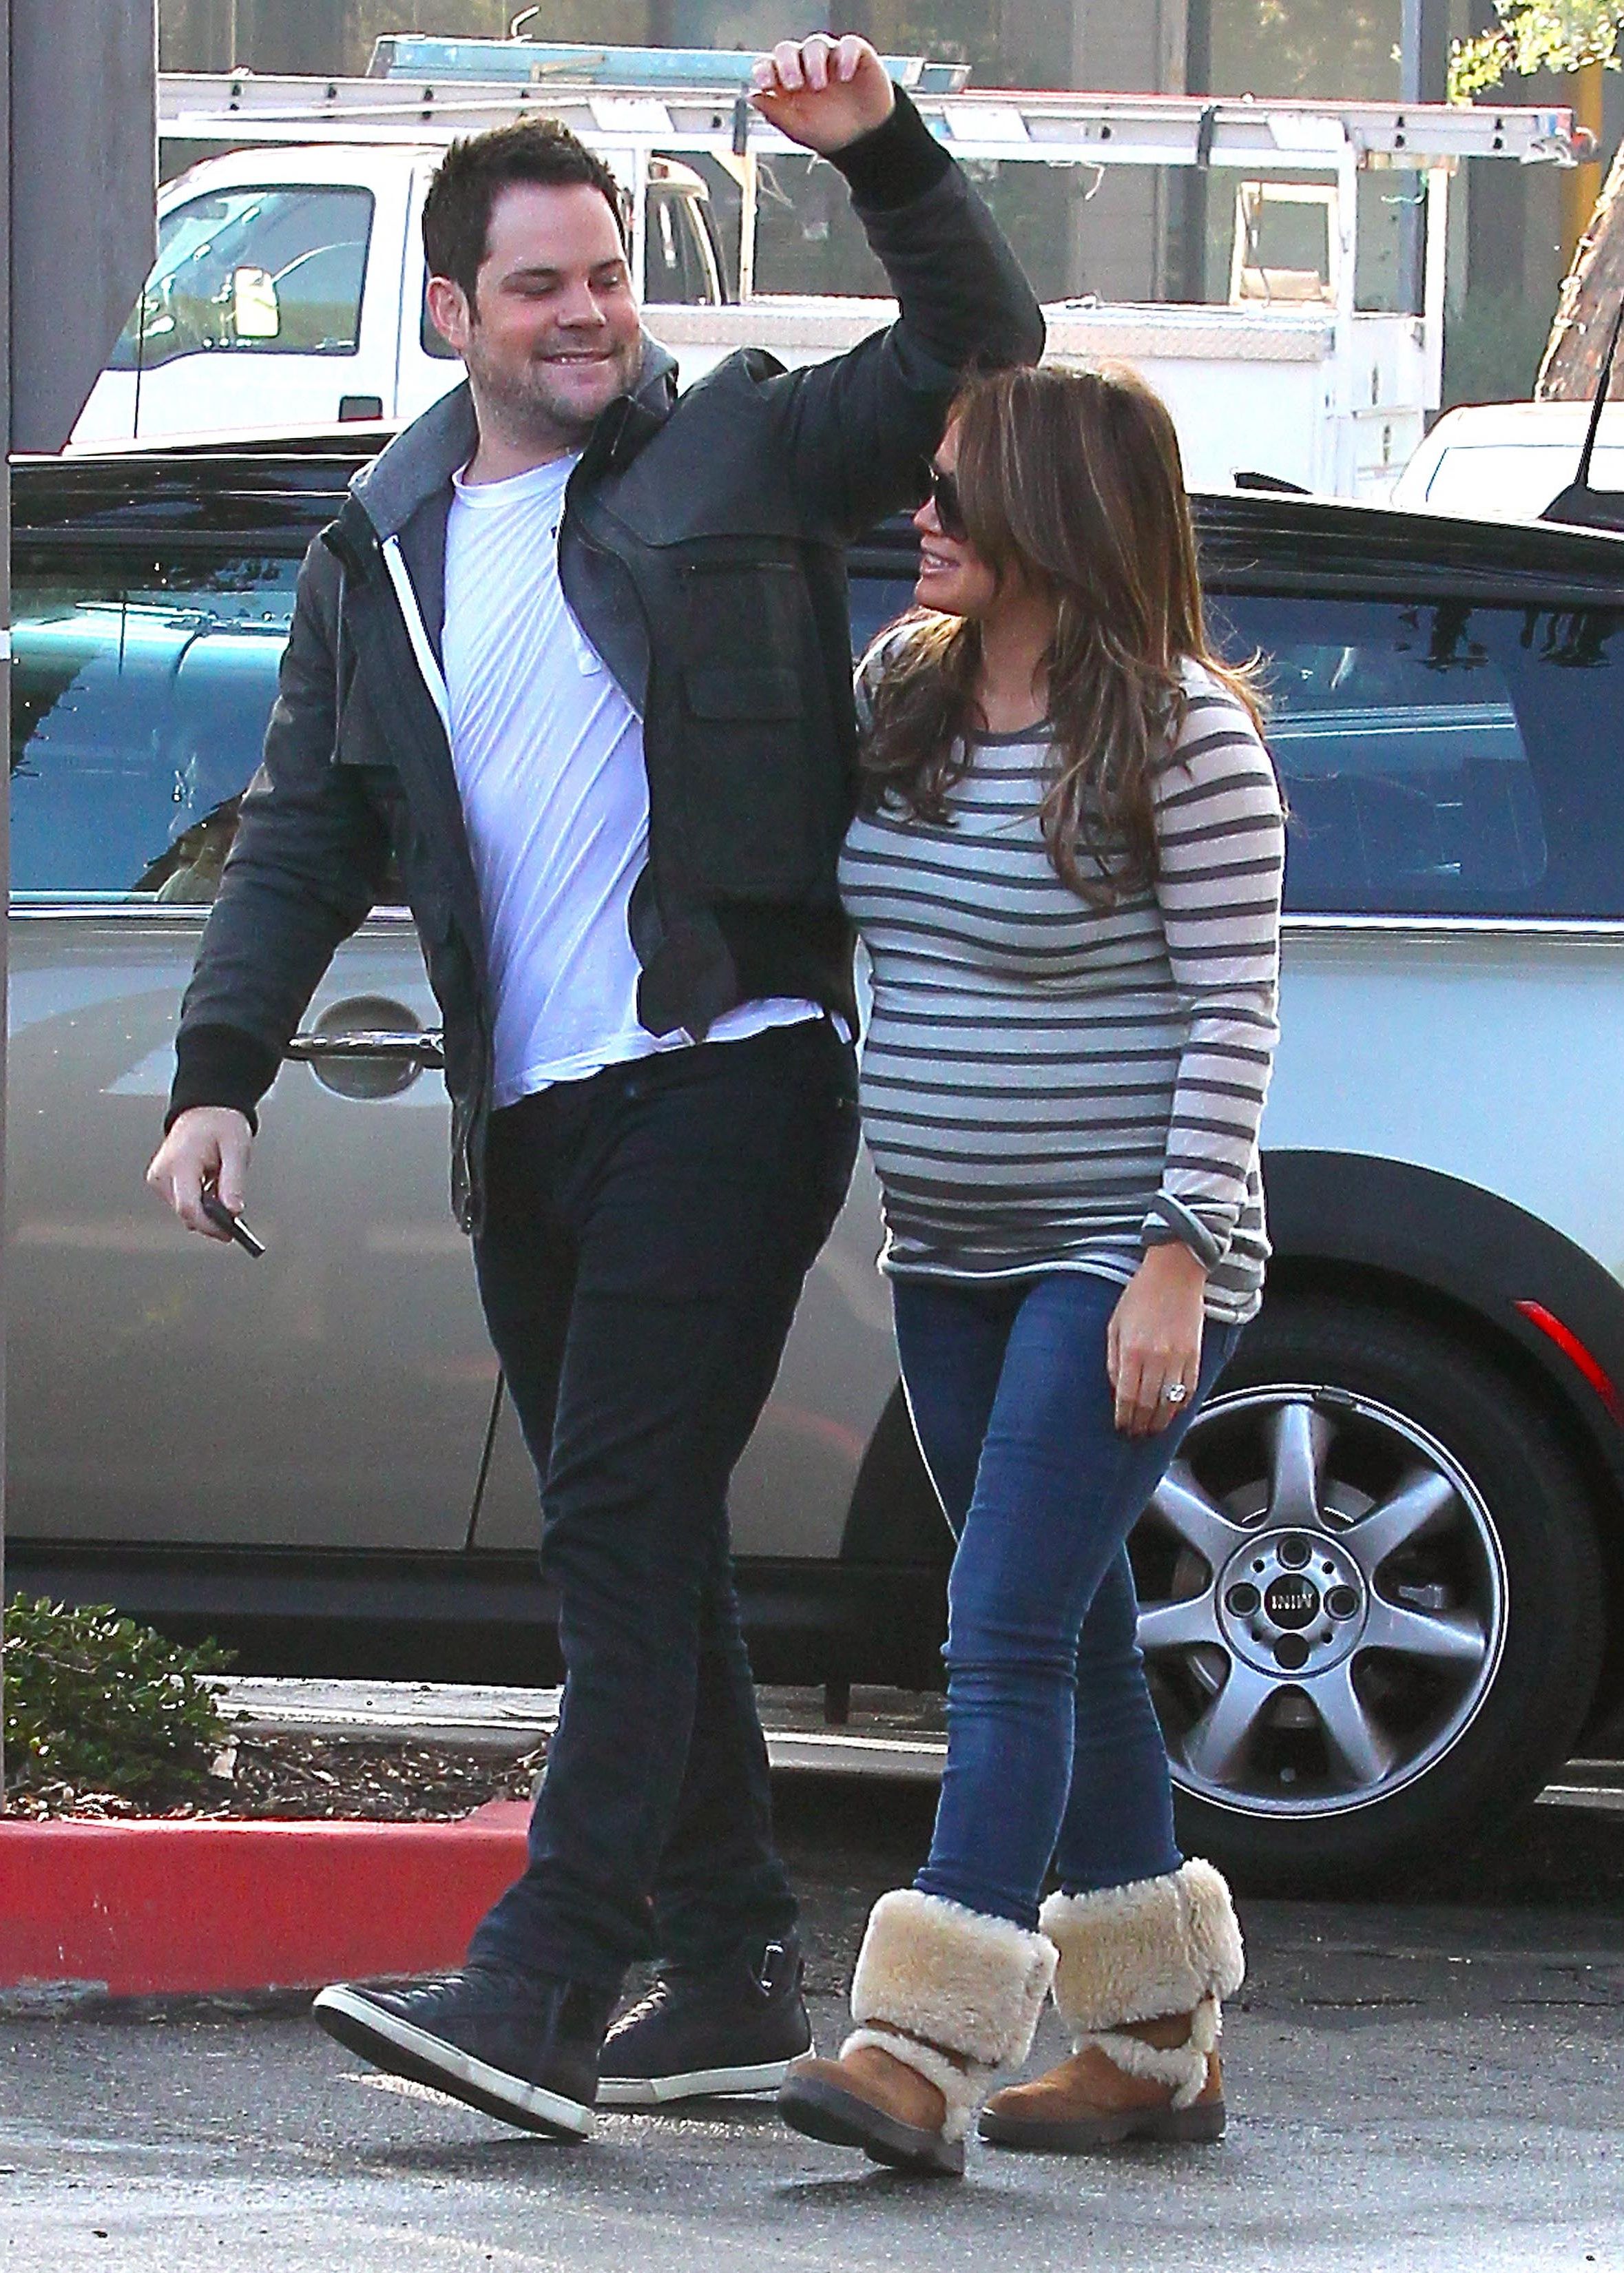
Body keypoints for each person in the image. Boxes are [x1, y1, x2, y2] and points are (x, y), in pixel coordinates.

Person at [143, 34, 1042, 2141]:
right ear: (450, 308)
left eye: (609, 277)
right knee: (637, 1538)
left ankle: (547, 1976)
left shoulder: (739, 450)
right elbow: (306, 829)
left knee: (617, 1515)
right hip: (531, 1114)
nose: (585, 315)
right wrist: (218, 1071)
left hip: (729, 1065)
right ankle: (726, 1965)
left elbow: (982, 343)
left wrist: (884, 155)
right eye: (540, 285)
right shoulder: (376, 549)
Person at [777, 363, 1284, 2175]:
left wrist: (1175, 1258)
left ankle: (922, 2044)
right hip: (951, 1253)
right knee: (1068, 1632)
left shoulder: (1184, 739)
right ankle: (1152, 2045)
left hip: (1116, 1258)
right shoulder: (903, 698)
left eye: (958, 492)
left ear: (1057, 516)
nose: (922, 517)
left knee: (996, 1627)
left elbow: (1233, 1015)